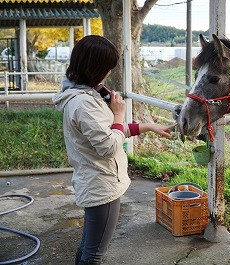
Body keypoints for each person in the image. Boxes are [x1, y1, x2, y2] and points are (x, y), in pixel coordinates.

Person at [52, 35, 174, 265]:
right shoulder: (84, 104)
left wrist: (148, 126)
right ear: (95, 68)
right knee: (95, 254)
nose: (109, 73)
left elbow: (110, 132)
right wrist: (118, 113)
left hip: (96, 180)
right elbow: (109, 145)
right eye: (107, 68)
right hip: (101, 186)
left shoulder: (84, 95)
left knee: (88, 246)